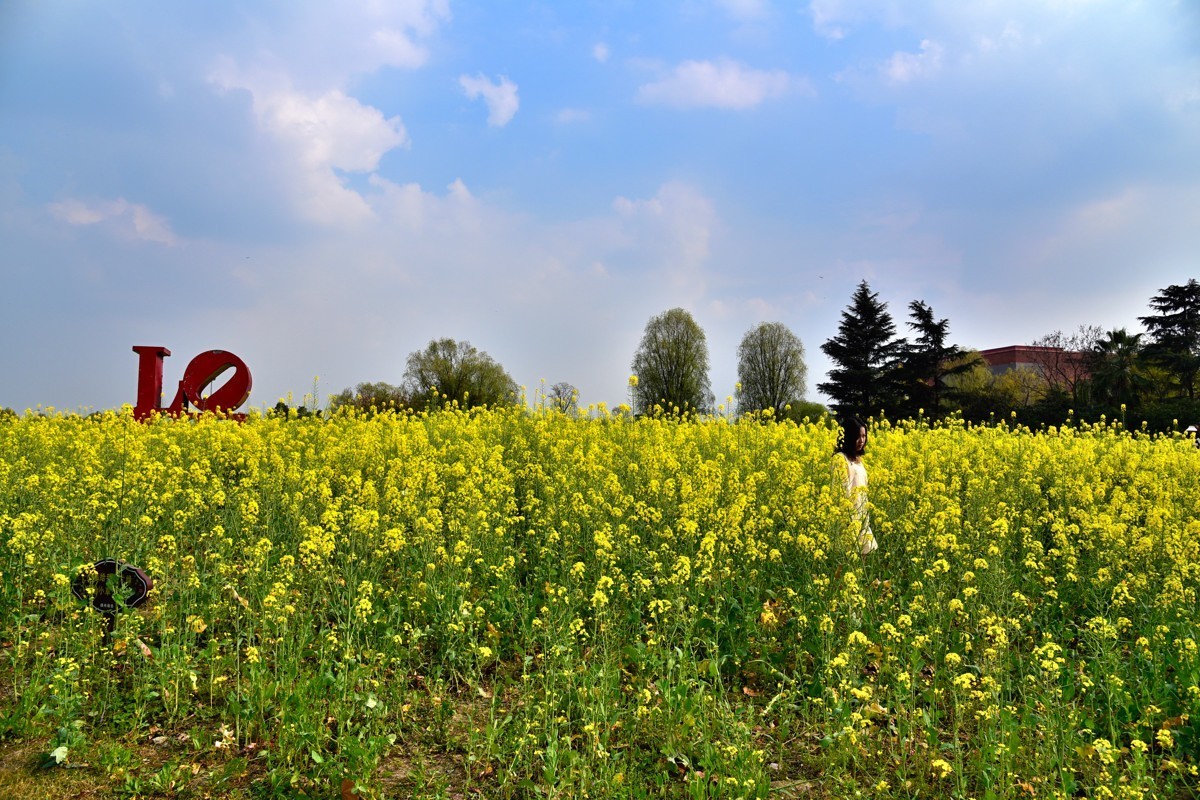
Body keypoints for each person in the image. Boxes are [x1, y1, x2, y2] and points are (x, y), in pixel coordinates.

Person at [835, 415, 877, 555]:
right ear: (848, 437)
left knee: (864, 555)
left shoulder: (859, 460)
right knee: (845, 560)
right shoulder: (840, 459)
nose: (862, 440)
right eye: (858, 436)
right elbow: (840, 489)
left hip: (861, 514)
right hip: (848, 517)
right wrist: (847, 517)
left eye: (864, 436)